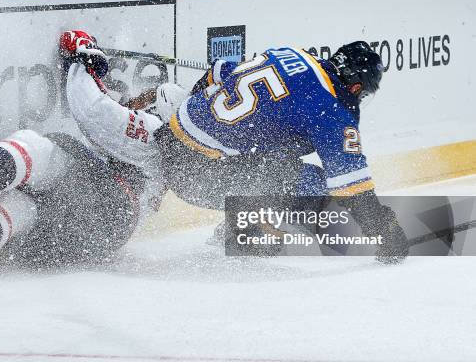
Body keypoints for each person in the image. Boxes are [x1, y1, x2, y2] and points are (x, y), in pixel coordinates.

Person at [0, 30, 186, 276]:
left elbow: (93, 110)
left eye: (150, 97)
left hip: (108, 204)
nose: (139, 98)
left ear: (158, 110)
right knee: (29, 206)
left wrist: (83, 59)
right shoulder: (164, 160)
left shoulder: (151, 130)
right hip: (92, 243)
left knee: (41, 149)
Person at [153, 41, 409, 263]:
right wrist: (385, 231)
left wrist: (193, 119)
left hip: (172, 136)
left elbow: (218, 70)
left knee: (281, 152)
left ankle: (247, 222)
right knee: (316, 185)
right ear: (355, 88)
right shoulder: (332, 111)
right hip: (194, 176)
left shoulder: (293, 54)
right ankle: (244, 229)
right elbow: (351, 186)